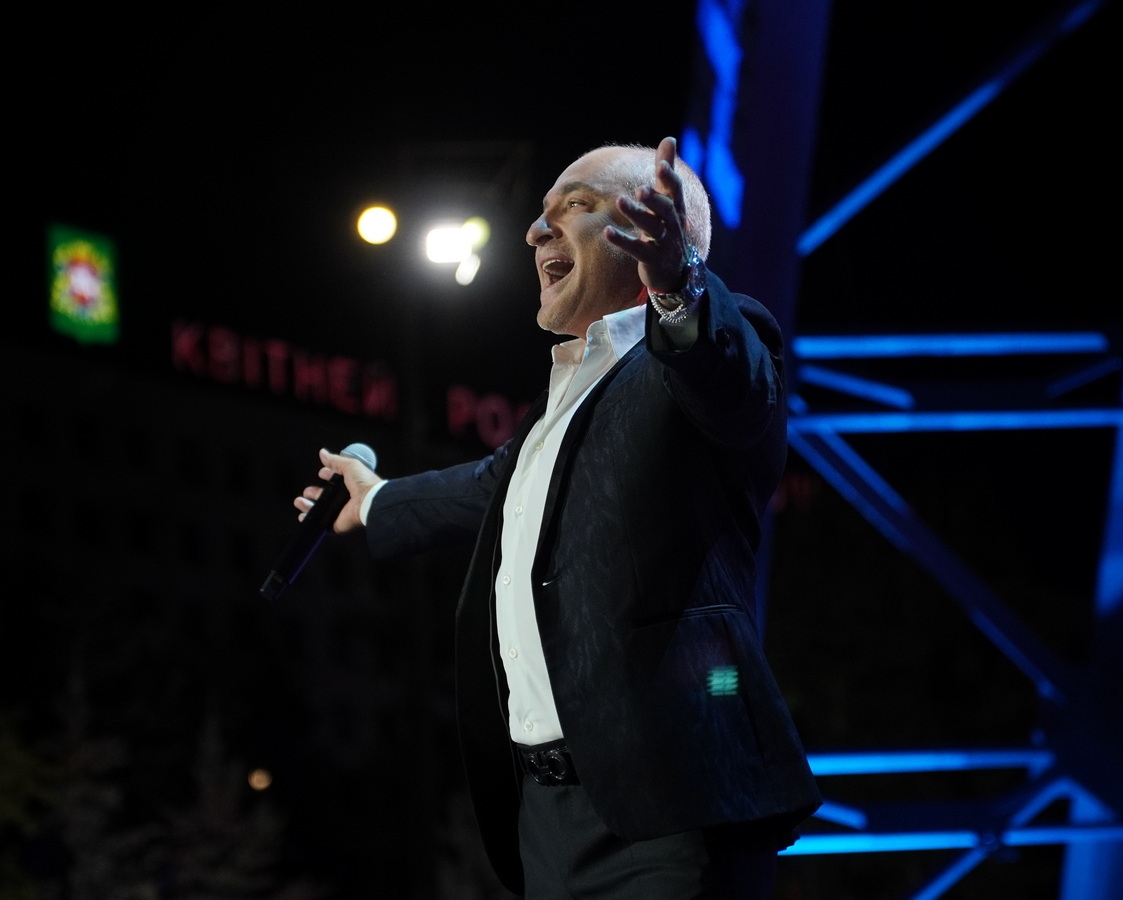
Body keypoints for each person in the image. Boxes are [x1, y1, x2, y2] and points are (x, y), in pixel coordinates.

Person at [296, 137, 819, 898]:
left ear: (653, 228)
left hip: (673, 803)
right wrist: (374, 500)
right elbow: (488, 487)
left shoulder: (713, 344)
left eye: (573, 206)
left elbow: (731, 382)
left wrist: (679, 284)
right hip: (549, 819)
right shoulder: (562, 405)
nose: (536, 231)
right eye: (540, 214)